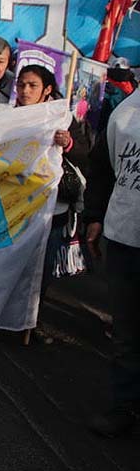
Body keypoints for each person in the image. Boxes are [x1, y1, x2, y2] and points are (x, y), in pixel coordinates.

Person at [84, 85, 140, 437]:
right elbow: (102, 167)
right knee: (127, 333)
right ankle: (124, 408)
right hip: (125, 238)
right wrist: (95, 214)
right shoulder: (126, 113)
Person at [13, 66, 87, 315]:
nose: (25, 91)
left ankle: (30, 320)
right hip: (17, 207)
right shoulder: (5, 118)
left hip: (52, 210)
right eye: (21, 84)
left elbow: (85, 151)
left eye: (32, 85)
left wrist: (68, 143)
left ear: (46, 89)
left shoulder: (62, 118)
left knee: (40, 270)